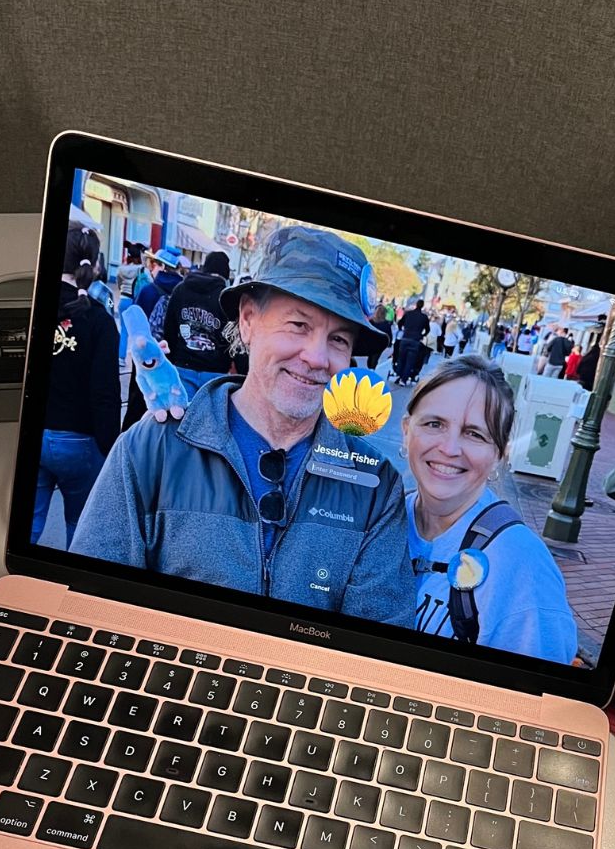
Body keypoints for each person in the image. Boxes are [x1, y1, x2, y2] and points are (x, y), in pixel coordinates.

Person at [72, 224, 414, 624]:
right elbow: (90, 609)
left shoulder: (374, 486)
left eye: (339, 339)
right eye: (299, 325)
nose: (318, 357)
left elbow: (371, 641)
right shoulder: (151, 451)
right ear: (248, 320)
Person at [402, 354, 578, 662]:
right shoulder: (380, 519)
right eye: (434, 424)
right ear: (406, 430)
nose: (449, 448)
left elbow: (535, 687)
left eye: (474, 434)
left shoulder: (523, 567)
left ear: (499, 454)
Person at [32, 224, 120, 546]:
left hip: (33, 431)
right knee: (81, 530)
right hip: (80, 440)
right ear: (94, 265)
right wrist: (110, 448)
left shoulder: (35, 303)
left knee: (27, 527)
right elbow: (105, 393)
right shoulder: (100, 321)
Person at [159, 249, 243, 398]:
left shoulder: (181, 289)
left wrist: (170, 360)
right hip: (215, 371)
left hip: (183, 366)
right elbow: (235, 336)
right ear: (225, 271)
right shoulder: (226, 297)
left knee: (183, 411)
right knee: (210, 413)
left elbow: (169, 328)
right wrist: (241, 370)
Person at [122, 246, 186, 429]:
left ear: (162, 267)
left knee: (139, 399)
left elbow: (135, 324)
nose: (150, 269)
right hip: (170, 357)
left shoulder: (148, 290)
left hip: (145, 356)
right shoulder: (182, 292)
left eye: (154, 264)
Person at [393, 297, 430, 385]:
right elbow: (428, 329)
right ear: (422, 306)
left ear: (416, 305)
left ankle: (398, 375)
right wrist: (422, 335)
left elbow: (400, 323)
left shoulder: (408, 314)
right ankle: (404, 380)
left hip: (405, 338)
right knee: (410, 361)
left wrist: (402, 329)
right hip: (415, 340)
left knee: (401, 358)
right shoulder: (424, 317)